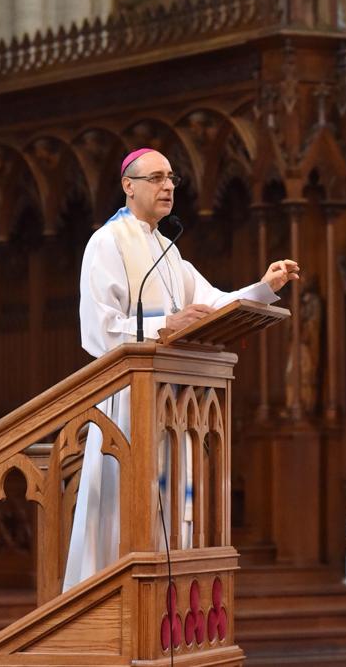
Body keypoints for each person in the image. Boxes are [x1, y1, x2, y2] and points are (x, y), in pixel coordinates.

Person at [63, 148, 299, 589]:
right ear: (128, 186)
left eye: (171, 177)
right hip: (126, 401)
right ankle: (110, 600)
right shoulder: (107, 242)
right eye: (155, 178)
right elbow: (98, 329)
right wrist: (163, 325)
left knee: (169, 514)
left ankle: (164, 611)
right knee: (123, 512)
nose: (168, 186)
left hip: (174, 401)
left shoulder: (168, 251)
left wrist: (264, 289)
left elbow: (211, 303)